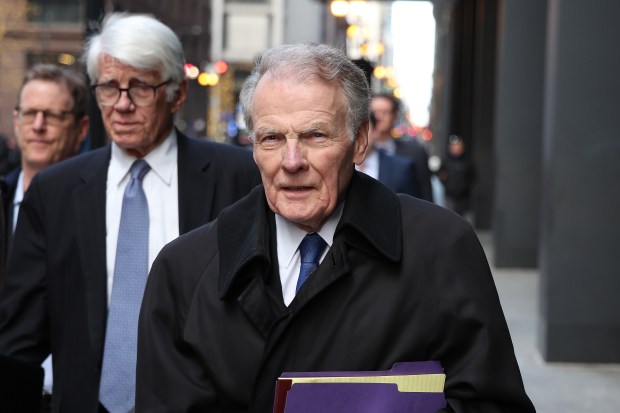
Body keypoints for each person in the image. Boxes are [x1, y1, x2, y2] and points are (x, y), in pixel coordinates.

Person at [136, 43, 535, 412]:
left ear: (360, 141)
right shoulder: (184, 271)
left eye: (315, 135)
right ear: (254, 147)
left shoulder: (441, 249)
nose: (292, 161)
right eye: (272, 138)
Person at [0, 12, 260, 413]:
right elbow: (19, 339)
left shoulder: (237, 179)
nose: (121, 104)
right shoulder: (55, 193)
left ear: (176, 94)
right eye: (108, 87)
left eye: (139, 87)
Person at [0, 63, 91, 412]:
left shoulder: (105, 213)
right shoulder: (4, 201)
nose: (38, 126)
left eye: (52, 115)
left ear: (81, 127)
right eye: (30, 113)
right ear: (16, 119)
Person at [371, 93, 434, 202]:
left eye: (384, 112)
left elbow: (425, 197)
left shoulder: (415, 152)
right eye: (374, 112)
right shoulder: (356, 151)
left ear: (394, 116)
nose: (378, 117)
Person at [355, 112, 420, 197]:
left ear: (376, 132)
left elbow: (414, 207)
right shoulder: (339, 166)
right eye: (354, 130)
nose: (358, 135)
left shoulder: (402, 168)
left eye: (364, 129)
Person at [438, 134, 476, 217]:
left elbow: (472, 177)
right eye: (454, 146)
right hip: (450, 195)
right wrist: (447, 185)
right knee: (449, 216)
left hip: (464, 197)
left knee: (462, 218)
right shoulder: (446, 161)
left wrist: (465, 187)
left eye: (459, 146)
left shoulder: (467, 161)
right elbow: (441, 175)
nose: (456, 149)